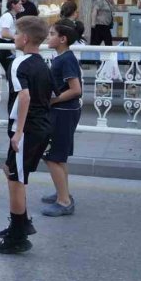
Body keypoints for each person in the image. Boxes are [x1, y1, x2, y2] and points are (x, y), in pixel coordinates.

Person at [0, 16, 52, 254]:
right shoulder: (42, 63)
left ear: (25, 38)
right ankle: (21, 223)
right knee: (11, 171)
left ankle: (17, 238)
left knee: (16, 179)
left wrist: (18, 133)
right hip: (40, 127)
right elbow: (49, 95)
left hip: (27, 130)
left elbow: (24, 97)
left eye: (16, 34)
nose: (14, 37)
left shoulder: (19, 63)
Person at [42, 19, 83, 218]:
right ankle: (63, 192)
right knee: (59, 156)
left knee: (52, 157)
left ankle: (64, 201)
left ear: (63, 39)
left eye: (51, 34)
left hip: (63, 112)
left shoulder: (66, 59)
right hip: (63, 111)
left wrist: (52, 100)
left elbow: (76, 90)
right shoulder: (62, 57)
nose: (48, 37)